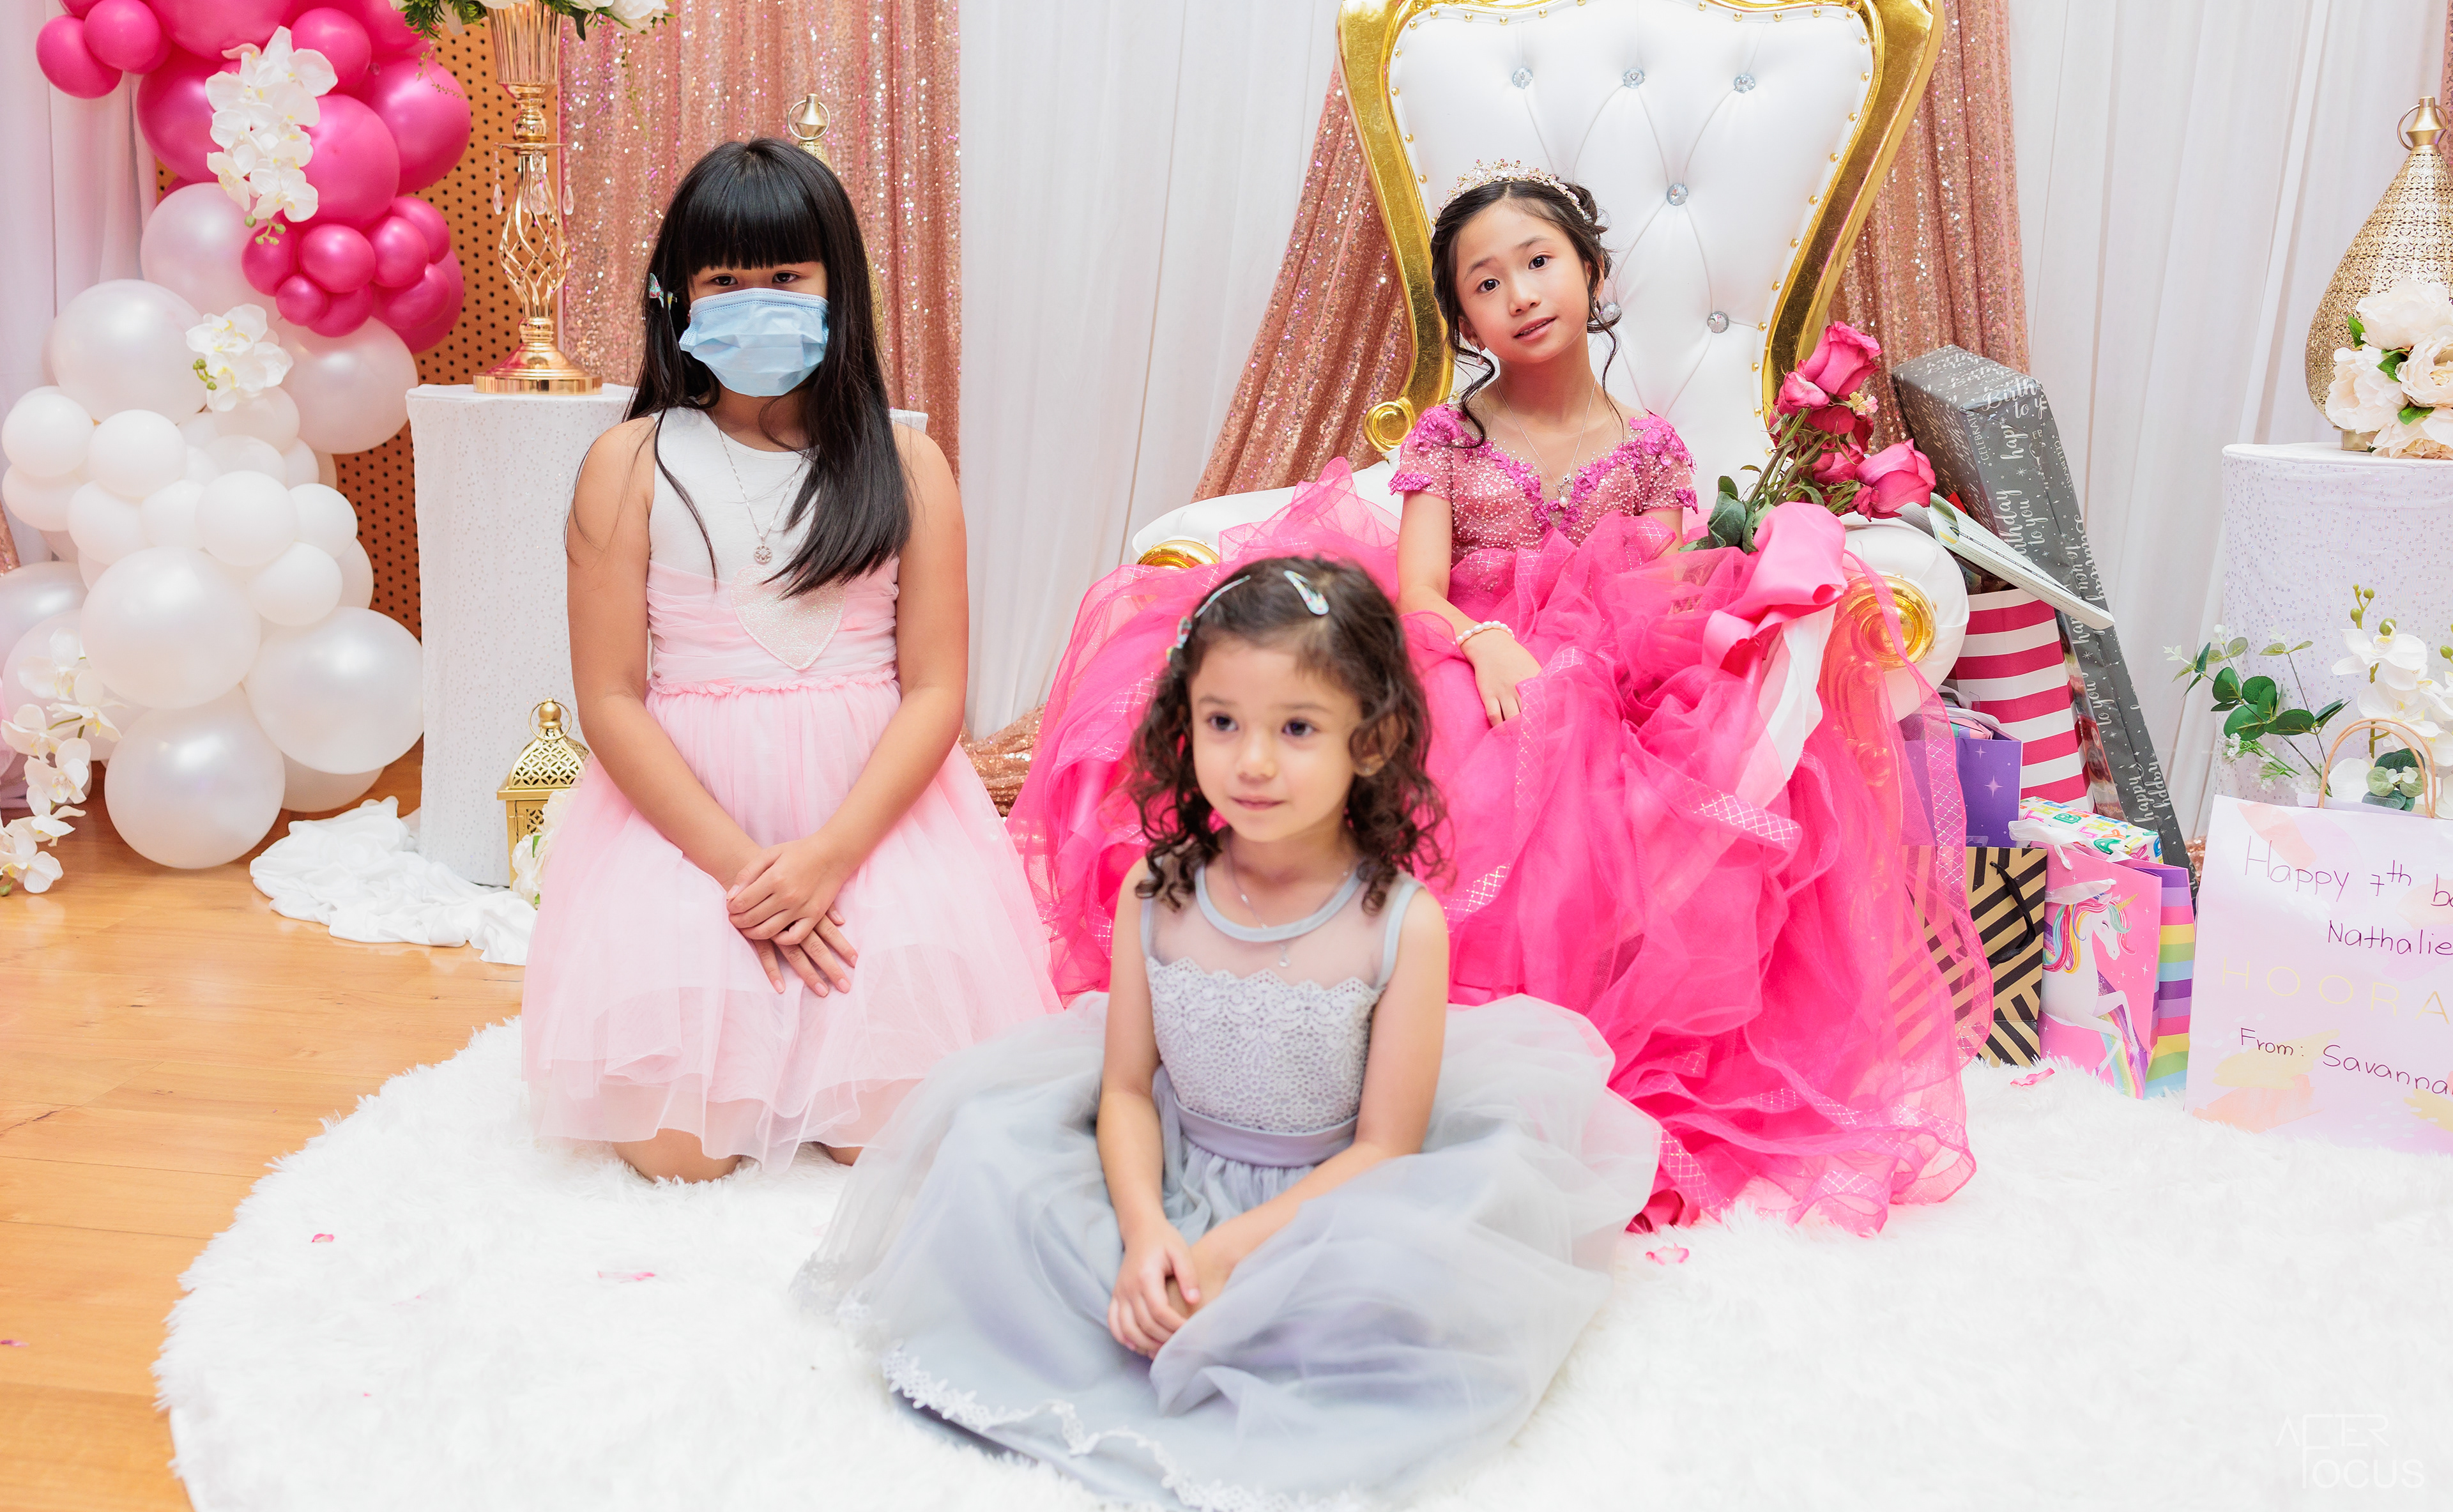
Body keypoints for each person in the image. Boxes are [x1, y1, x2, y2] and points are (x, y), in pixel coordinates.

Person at [1010, 167, 1984, 1235]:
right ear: (1464, 320)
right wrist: (1488, 647)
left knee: (1632, 747)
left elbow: (1662, 597)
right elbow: (1421, 592)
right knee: (1474, 740)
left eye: (1538, 263)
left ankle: (1553, 1064)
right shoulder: (1449, 439)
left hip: (1606, 679)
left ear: (1593, 274)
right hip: (1462, 654)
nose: (1518, 294)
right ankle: (1368, 1047)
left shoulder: (1650, 447)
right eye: (1485, 283)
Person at [805, 556, 1658, 1508]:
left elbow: (1383, 1149)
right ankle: (1126, 1298)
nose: (1252, 762)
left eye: (1297, 728)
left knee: (1393, 1283)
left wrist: (1227, 1250)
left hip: (1325, 1204)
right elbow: (1125, 1089)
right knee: (989, 1159)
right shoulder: (1158, 890)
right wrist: (1146, 1233)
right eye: (1222, 722)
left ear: (1371, 740)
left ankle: (1230, 1332)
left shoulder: (1399, 923)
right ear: (1186, 723)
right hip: (1163, 1167)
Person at [522, 139, 1057, 1182]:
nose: (755, 303)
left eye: (785, 277)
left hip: (871, 817)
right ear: (677, 297)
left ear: (836, 287)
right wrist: (744, 872)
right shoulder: (630, 462)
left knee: (886, 1126)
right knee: (681, 1144)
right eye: (724, 280)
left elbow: (936, 688)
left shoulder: (908, 463)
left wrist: (828, 859)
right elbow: (611, 696)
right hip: (692, 824)